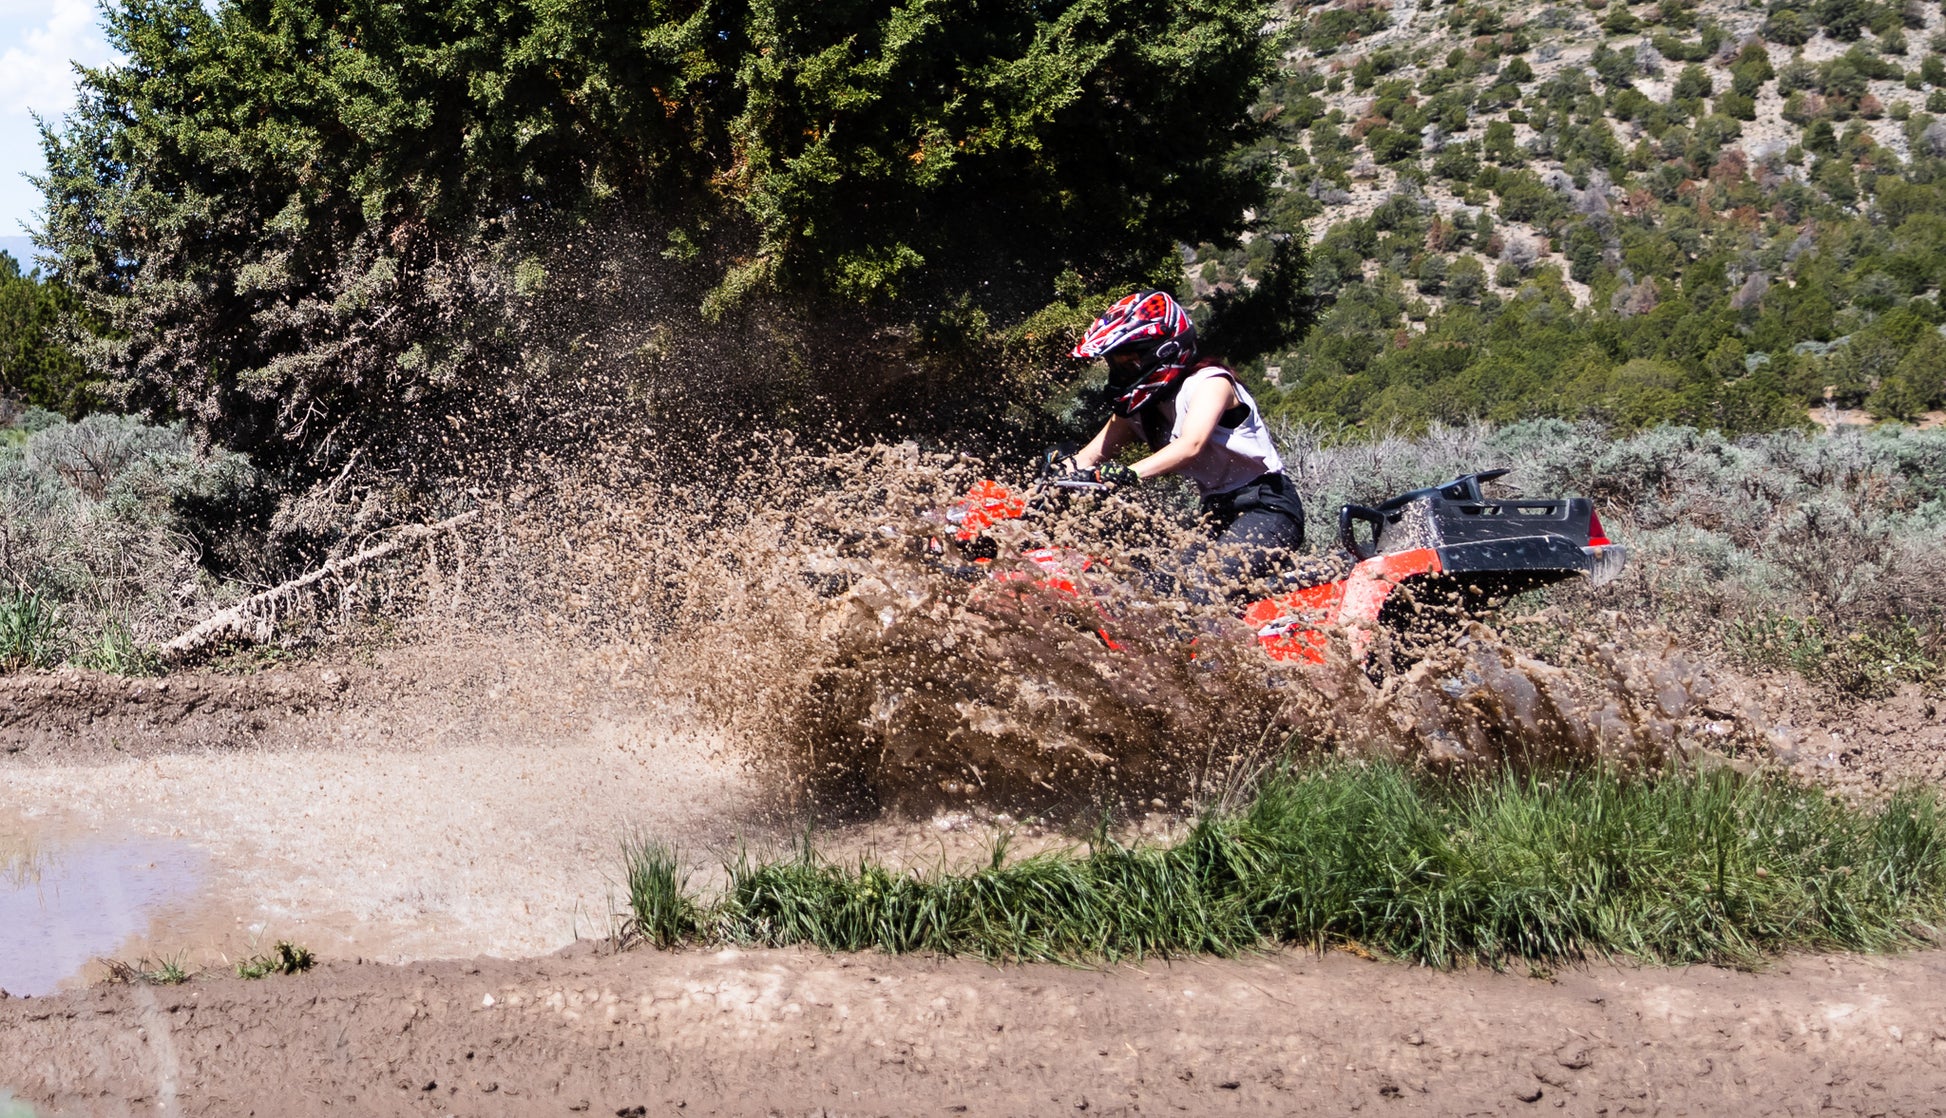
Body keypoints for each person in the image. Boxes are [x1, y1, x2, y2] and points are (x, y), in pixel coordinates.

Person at [1067, 290, 1305, 591]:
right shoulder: (1141, 409)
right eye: (1116, 364)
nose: (1122, 373)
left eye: (1130, 362)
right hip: (1215, 515)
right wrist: (1053, 475)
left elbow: (1191, 445)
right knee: (1157, 587)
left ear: (1164, 351)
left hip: (1267, 508)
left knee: (1204, 587)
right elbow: (1088, 457)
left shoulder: (1211, 383)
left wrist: (1128, 473)